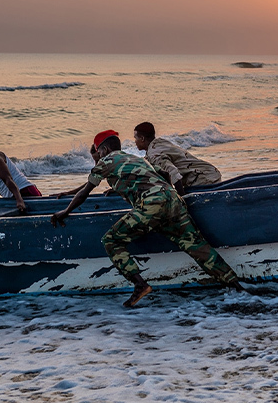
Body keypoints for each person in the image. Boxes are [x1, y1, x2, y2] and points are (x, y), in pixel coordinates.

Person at [51, 130, 241, 307]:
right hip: (172, 199)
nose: (98, 156)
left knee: (111, 240)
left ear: (104, 150)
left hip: (152, 204)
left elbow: (85, 192)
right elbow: (163, 174)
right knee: (197, 247)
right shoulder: (134, 158)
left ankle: (140, 285)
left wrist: (65, 212)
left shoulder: (106, 161)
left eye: (98, 152)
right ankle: (238, 287)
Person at [133, 122, 222, 192]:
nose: (135, 142)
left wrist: (181, 201)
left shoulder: (154, 154)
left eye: (135, 138)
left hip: (204, 179)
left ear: (142, 139)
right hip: (210, 172)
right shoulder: (159, 142)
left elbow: (174, 174)